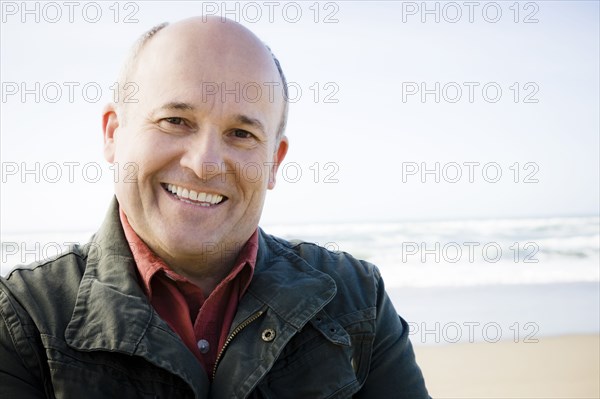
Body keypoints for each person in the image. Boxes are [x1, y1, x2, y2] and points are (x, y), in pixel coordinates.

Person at [0, 16, 430, 398]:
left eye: (241, 133)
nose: (204, 164)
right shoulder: (22, 319)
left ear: (273, 162)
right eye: (175, 121)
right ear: (114, 133)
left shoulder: (356, 299)